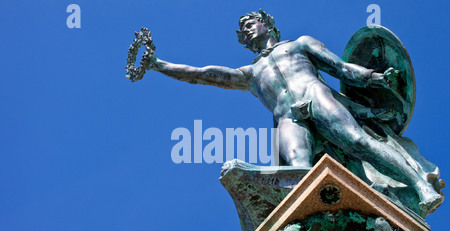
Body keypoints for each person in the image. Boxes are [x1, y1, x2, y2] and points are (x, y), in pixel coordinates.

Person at [141, 10, 443, 214]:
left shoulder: (299, 45)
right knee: (300, 171)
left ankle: (418, 185)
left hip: (315, 95)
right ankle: (317, 217)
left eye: (251, 22)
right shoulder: (249, 73)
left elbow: (341, 68)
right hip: (286, 116)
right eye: (243, 29)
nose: (246, 29)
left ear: (269, 24)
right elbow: (202, 74)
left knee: (359, 143)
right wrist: (159, 65)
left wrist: (375, 78)